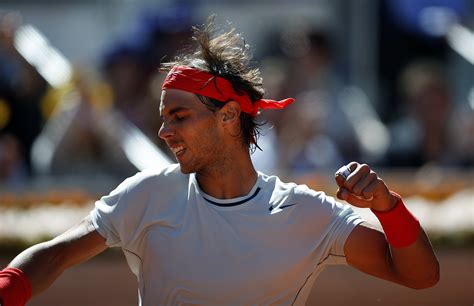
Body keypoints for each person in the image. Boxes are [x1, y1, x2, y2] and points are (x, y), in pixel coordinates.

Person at [0, 18, 439, 306]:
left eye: (180, 116)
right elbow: (53, 257)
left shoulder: (307, 212)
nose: (165, 132)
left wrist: (388, 208)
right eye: (163, 118)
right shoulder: (145, 195)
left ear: (228, 117)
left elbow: (419, 276)